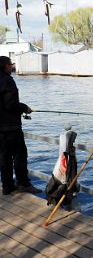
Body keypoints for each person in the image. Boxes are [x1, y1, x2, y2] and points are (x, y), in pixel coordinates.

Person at [0, 56, 41, 195]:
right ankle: (23, 183)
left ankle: (7, 186)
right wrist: (25, 107)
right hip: (11, 127)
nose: (12, 67)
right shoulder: (7, 81)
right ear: (5, 66)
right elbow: (11, 105)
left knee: (4, 157)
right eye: (10, 64)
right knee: (20, 155)